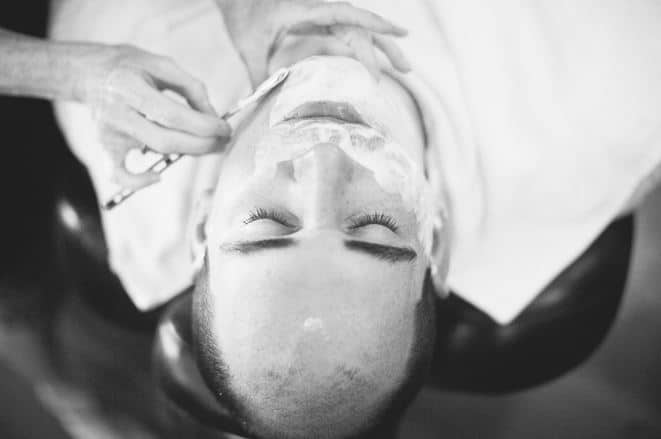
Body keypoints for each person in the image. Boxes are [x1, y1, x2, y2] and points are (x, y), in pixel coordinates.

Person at [47, 0, 661, 437]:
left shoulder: (117, 59)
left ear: (203, 218)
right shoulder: (614, 88)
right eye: (373, 225)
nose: (323, 160)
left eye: (265, 221)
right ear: (436, 235)